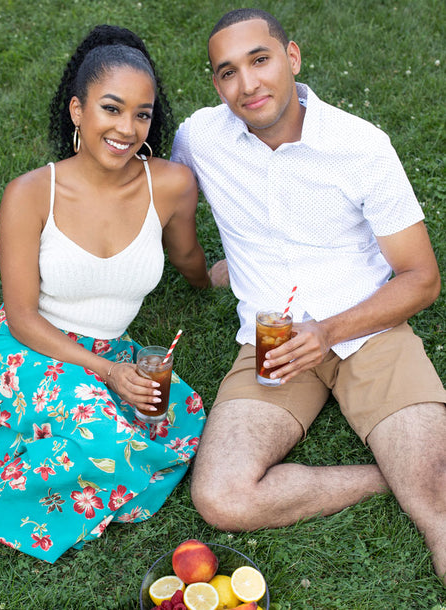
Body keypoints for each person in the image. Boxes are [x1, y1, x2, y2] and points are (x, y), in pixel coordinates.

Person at [0, 24, 213, 590]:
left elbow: (187, 257)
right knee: (107, 443)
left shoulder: (173, 185)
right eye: (111, 109)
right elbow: (23, 315)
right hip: (33, 343)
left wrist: (213, 281)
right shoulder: (31, 193)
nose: (127, 129)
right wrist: (106, 373)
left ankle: (3, 444)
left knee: (178, 425)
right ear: (78, 111)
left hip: (111, 349)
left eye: (142, 114)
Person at [171, 8, 446, 584]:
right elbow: (168, 202)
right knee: (223, 498)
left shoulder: (360, 146)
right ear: (215, 84)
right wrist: (206, 273)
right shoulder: (200, 137)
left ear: (292, 57)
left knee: (437, 507)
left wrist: (328, 333)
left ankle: (418, 477)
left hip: (370, 331)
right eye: (227, 72)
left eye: (260, 60)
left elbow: (421, 278)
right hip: (268, 342)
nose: (247, 85)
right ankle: (392, 473)